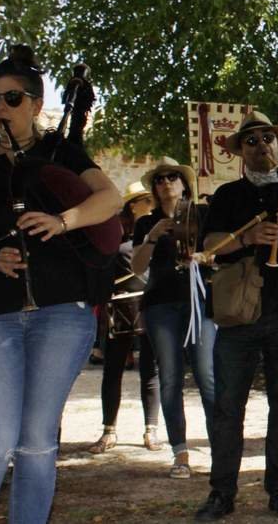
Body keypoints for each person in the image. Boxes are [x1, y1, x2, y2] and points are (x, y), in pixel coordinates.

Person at [0, 45, 122, 524]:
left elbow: (111, 201)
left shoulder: (63, 153)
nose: (0, 109)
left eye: (11, 98)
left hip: (62, 311)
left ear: (35, 104)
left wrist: (64, 220)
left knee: (37, 441)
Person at [195, 111, 278, 520]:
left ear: (277, 145)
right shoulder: (228, 195)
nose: (262, 144)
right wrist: (246, 238)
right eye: (252, 141)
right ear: (240, 152)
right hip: (239, 316)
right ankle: (221, 492)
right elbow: (209, 246)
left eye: (268, 138)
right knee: (228, 407)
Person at [133, 158, 216, 480]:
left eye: (173, 176)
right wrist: (152, 236)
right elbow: (137, 268)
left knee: (207, 376)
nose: (166, 182)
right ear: (154, 188)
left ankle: (220, 447)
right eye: (159, 179)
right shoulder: (145, 222)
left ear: (184, 183)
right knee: (170, 379)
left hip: (198, 302)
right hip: (160, 305)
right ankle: (180, 453)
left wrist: (206, 256)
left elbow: (220, 252)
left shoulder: (202, 216)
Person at [89, 181, 161, 454]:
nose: (151, 204)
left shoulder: (159, 230)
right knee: (113, 369)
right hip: (119, 308)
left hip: (151, 305)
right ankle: (109, 430)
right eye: (145, 200)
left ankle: (150, 430)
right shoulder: (116, 232)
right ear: (133, 205)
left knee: (150, 370)